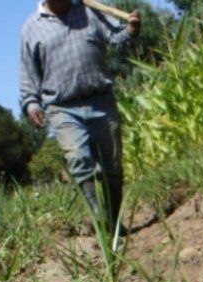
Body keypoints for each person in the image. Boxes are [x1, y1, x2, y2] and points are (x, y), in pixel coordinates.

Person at [20, 0, 140, 240]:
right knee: (79, 160)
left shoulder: (90, 12)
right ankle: (101, 221)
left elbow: (118, 39)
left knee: (112, 167)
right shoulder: (31, 27)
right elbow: (28, 73)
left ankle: (114, 223)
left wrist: (131, 30)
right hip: (62, 108)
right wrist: (31, 103)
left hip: (101, 101)